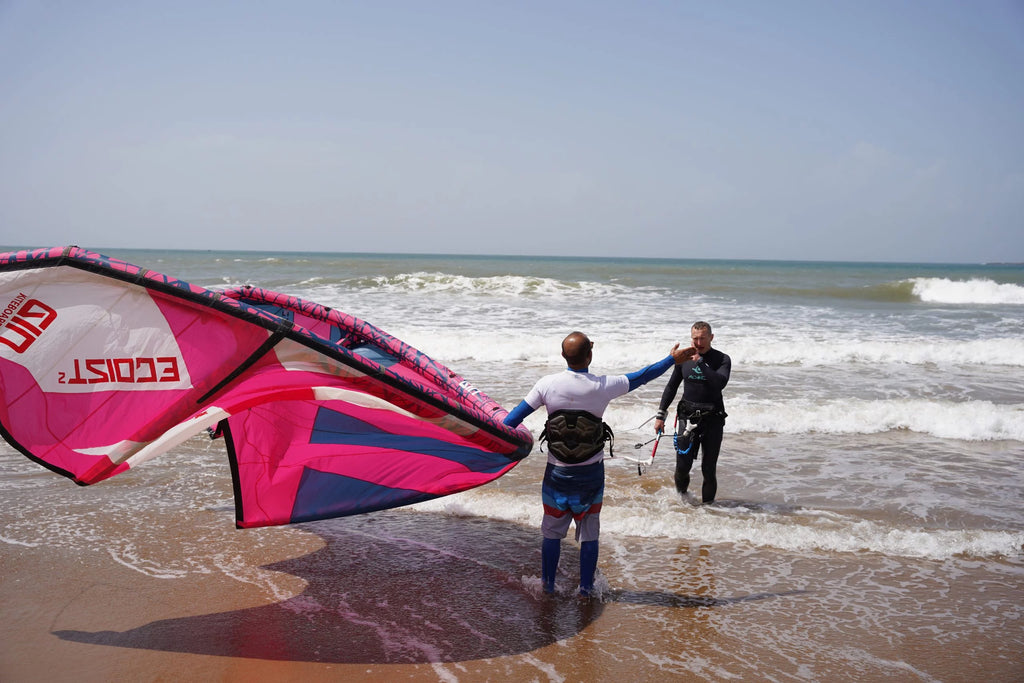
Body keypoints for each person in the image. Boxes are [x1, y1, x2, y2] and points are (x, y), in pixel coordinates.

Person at [504, 331, 690, 597]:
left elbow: (511, 421)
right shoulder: (602, 385)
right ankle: (586, 589)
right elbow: (643, 376)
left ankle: (547, 585)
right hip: (590, 474)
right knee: (589, 533)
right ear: (590, 353)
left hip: (556, 473)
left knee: (552, 532)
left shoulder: (546, 384)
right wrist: (671, 360)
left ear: (562, 355)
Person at [653, 321, 731, 504]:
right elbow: (672, 386)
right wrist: (660, 415)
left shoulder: (722, 359)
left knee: (708, 469)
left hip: (713, 420)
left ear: (711, 337)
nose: (698, 342)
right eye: (695, 338)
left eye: (702, 338)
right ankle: (683, 503)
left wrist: (701, 363)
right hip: (687, 417)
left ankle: (708, 510)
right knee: (682, 467)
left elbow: (719, 383)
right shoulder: (683, 359)